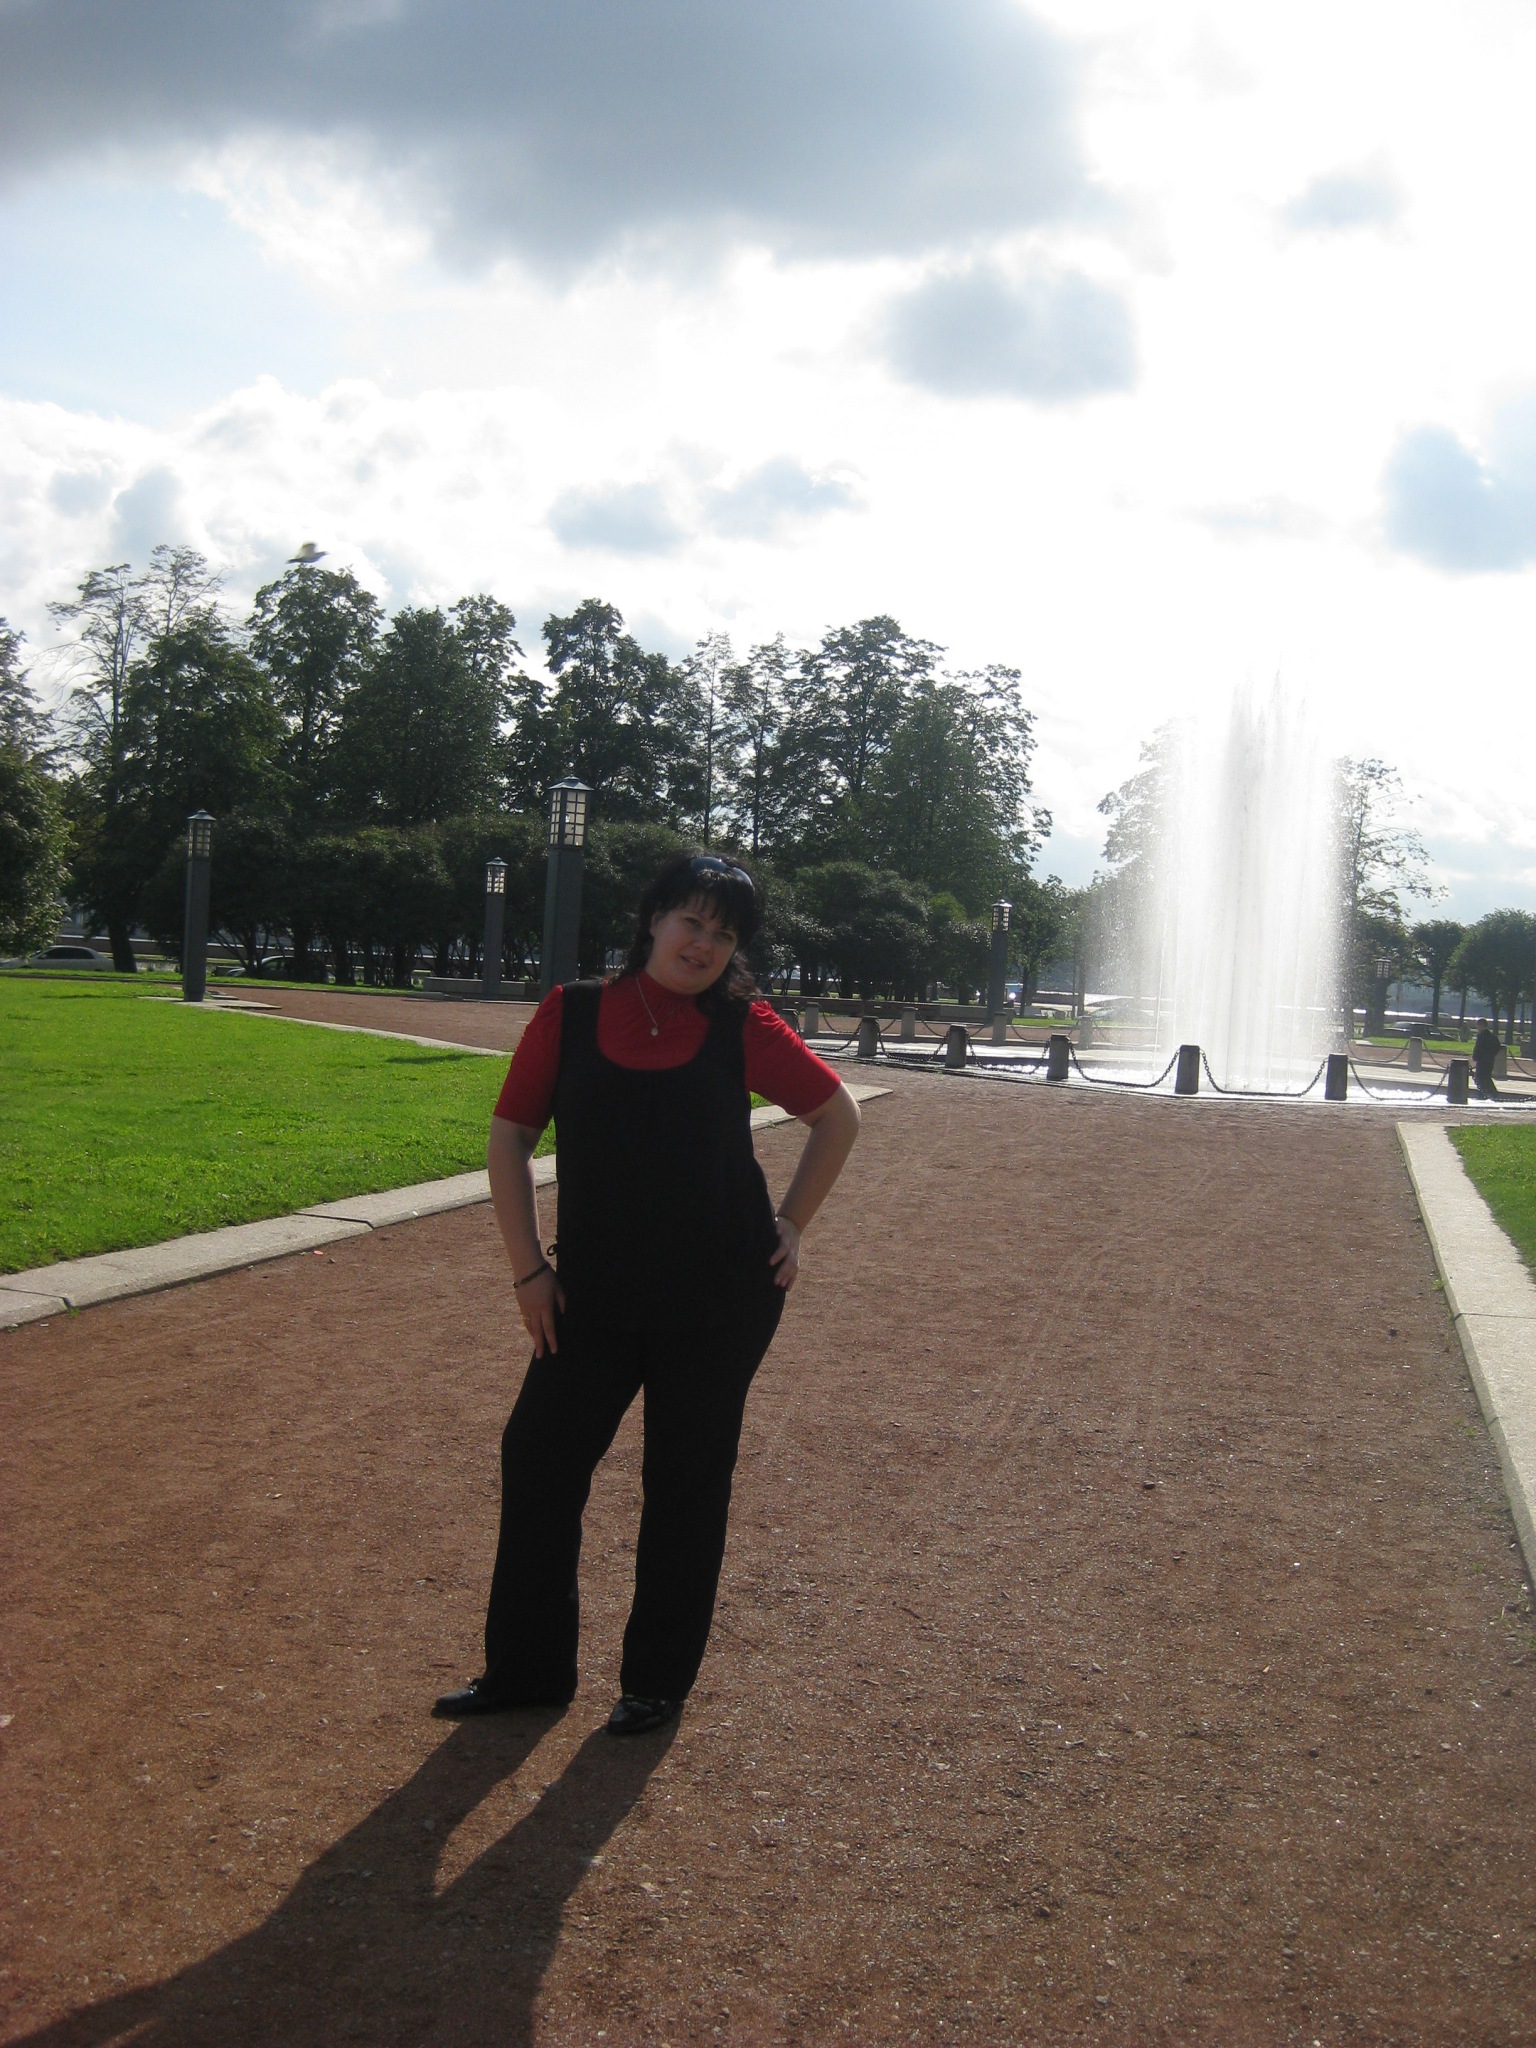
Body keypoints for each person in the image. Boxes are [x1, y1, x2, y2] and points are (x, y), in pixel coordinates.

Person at [434, 853, 862, 1735]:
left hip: (719, 1298)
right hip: (590, 1293)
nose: (703, 945)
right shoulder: (573, 1013)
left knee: (686, 1478)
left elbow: (837, 1115)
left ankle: (656, 1681)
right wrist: (528, 1270)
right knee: (539, 1458)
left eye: (724, 935)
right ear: (654, 919)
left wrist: (791, 1223)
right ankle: (528, 1670)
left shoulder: (741, 1025)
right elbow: (510, 1137)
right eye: (691, 922)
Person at [1472, 1018, 1501, 1100]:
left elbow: (1478, 1048)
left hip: (1481, 1060)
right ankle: (1489, 1094)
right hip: (1490, 1060)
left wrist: (1475, 1056)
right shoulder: (1492, 1036)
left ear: (1481, 1025)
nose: (1477, 1027)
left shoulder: (1481, 1036)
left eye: (1477, 1025)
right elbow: (1497, 1046)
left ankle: (1485, 1094)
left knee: (1480, 1077)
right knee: (1486, 1077)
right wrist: (1491, 1054)